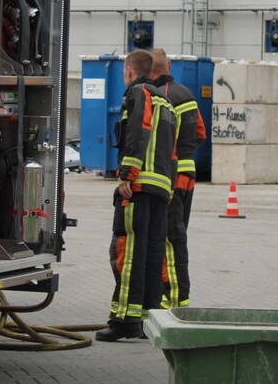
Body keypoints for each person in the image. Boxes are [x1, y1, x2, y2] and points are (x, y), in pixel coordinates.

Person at [96, 50, 177, 342]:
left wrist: (127, 175)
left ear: (130, 72)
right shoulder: (166, 101)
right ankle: (147, 319)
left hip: (139, 186)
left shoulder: (138, 92)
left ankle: (124, 321)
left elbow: (138, 131)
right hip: (160, 188)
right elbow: (172, 150)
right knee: (152, 255)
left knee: (127, 253)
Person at [149, 49, 207, 308]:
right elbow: (200, 133)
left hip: (169, 175)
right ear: (169, 65)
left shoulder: (157, 96)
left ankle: (173, 299)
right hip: (187, 175)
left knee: (169, 239)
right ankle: (174, 296)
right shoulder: (186, 94)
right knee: (177, 235)